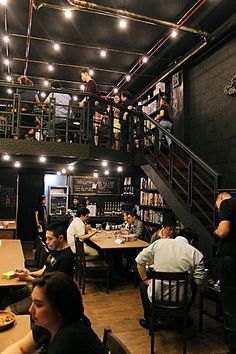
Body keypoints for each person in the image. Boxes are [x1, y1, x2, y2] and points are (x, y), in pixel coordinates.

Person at [2, 272, 106, 354]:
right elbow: (21, 348)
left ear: (59, 309)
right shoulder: (49, 324)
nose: (30, 310)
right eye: (32, 302)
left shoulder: (68, 340)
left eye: (39, 305)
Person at [136, 228, 206, 329]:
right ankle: (182, 319)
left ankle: (149, 321)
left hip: (157, 295)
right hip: (182, 299)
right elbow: (199, 281)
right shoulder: (196, 253)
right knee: (193, 285)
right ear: (192, 241)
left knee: (143, 285)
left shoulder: (159, 243)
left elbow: (139, 261)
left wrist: (146, 279)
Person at [3, 222, 75, 314]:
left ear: (60, 238)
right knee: (6, 297)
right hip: (40, 287)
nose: (47, 242)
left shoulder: (66, 258)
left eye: (50, 239)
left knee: (8, 311)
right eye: (46, 238)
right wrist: (29, 273)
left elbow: (53, 286)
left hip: (50, 296)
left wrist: (29, 279)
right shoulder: (56, 250)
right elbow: (44, 269)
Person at [214, 192, 236, 354]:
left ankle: (233, 347)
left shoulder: (227, 204)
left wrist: (215, 230)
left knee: (230, 302)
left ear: (220, 198)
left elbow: (223, 232)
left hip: (231, 260)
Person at [17, 75, 41, 140]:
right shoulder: (34, 93)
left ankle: (18, 135)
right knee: (39, 124)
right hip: (28, 114)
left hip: (18, 113)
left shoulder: (18, 92)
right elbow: (39, 104)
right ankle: (29, 134)